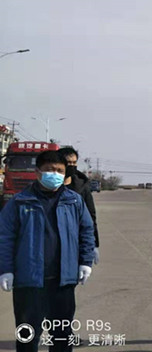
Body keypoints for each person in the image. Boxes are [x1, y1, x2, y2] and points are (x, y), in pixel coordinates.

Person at [0, 150, 95, 352]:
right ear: (37, 172)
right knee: (27, 337)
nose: (55, 174)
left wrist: (85, 261)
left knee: (61, 336)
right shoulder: (19, 202)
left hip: (62, 281)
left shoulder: (74, 201)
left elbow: (86, 231)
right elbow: (4, 237)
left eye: (60, 171)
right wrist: (5, 269)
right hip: (29, 282)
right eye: (50, 170)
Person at [57, 147, 100, 265]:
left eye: (74, 162)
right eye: (68, 162)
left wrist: (94, 244)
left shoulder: (82, 187)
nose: (71, 166)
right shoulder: (51, 185)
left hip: (75, 240)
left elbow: (91, 216)